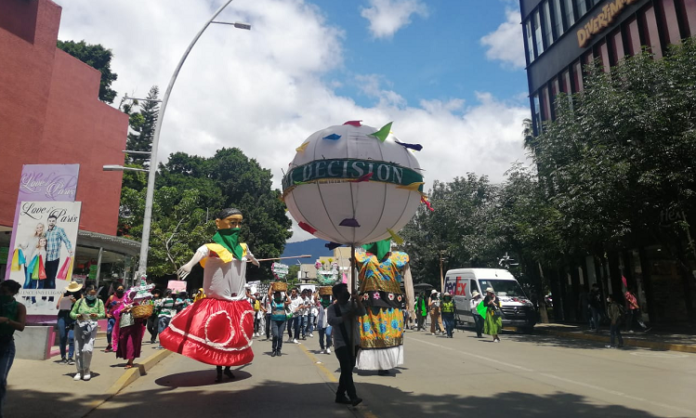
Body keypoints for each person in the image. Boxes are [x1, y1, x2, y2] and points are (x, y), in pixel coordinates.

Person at [159, 208, 259, 383]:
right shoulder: (211, 248)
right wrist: (189, 265)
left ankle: (227, 368)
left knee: (234, 340)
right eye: (232, 222)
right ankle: (219, 370)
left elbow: (249, 255)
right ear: (219, 223)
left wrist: (254, 260)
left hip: (238, 304)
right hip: (218, 304)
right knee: (218, 338)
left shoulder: (242, 248)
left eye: (238, 223)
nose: (236, 227)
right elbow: (199, 254)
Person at [355, 240, 413, 376]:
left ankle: (383, 365)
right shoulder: (397, 259)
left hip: (378, 306)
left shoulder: (363, 259)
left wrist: (410, 304)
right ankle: (383, 365)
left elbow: (408, 282)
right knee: (384, 334)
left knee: (377, 334)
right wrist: (410, 304)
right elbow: (408, 283)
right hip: (383, 307)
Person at [327, 283, 364, 406]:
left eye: (346, 290)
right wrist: (347, 316)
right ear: (337, 295)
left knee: (347, 369)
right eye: (343, 291)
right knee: (346, 368)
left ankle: (340, 395)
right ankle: (353, 396)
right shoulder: (333, 308)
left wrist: (357, 299)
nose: (346, 293)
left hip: (354, 342)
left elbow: (362, 312)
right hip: (341, 343)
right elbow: (331, 320)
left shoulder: (351, 305)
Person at [0, 280, 26, 417]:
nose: (2, 294)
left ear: (13, 292)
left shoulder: (19, 307)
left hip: (6, 346)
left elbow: (21, 326)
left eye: (4, 292)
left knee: (0, 379)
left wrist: (7, 321)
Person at [70, 286, 105, 381]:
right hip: (79, 326)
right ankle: (79, 371)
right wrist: (78, 316)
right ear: (87, 293)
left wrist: (96, 315)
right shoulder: (79, 301)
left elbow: (103, 314)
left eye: (94, 294)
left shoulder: (99, 302)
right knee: (78, 351)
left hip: (91, 327)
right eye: (90, 293)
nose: (92, 295)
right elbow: (72, 313)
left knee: (87, 349)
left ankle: (86, 369)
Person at [113, 287, 148, 369]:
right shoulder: (123, 305)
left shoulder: (137, 305)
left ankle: (130, 361)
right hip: (124, 327)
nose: (132, 297)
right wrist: (123, 310)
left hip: (134, 329)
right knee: (124, 344)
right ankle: (130, 358)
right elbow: (115, 313)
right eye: (131, 295)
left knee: (131, 344)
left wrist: (141, 314)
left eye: (134, 295)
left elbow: (142, 317)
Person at [44, 214, 74, 293]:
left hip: (55, 258)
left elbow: (66, 240)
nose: (51, 222)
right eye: (50, 221)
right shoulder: (46, 232)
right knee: (45, 278)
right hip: (45, 258)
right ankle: (43, 297)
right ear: (47, 222)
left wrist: (69, 249)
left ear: (56, 222)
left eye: (53, 221)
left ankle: (50, 298)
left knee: (52, 278)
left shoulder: (59, 230)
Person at [55, 281, 82, 364]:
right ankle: (63, 357)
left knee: (71, 338)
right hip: (62, 317)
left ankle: (70, 357)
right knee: (62, 336)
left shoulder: (80, 297)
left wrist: (75, 302)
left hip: (73, 319)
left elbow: (83, 308)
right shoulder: (64, 294)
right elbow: (57, 306)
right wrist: (64, 301)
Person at [104, 285, 127, 352]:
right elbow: (105, 306)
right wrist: (106, 314)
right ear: (116, 289)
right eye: (118, 289)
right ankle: (109, 344)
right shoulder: (111, 297)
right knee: (109, 331)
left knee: (120, 333)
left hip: (121, 317)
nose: (120, 290)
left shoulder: (126, 297)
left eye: (121, 289)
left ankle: (118, 345)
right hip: (112, 317)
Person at [269, 287, 290, 357]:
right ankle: (274, 349)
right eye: (276, 295)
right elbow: (269, 294)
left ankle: (278, 349)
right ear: (274, 296)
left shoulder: (283, 302)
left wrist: (286, 294)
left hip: (282, 321)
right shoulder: (273, 302)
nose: (277, 296)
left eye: (279, 295)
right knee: (275, 335)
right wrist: (271, 286)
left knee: (280, 336)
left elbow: (289, 301)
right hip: (274, 321)